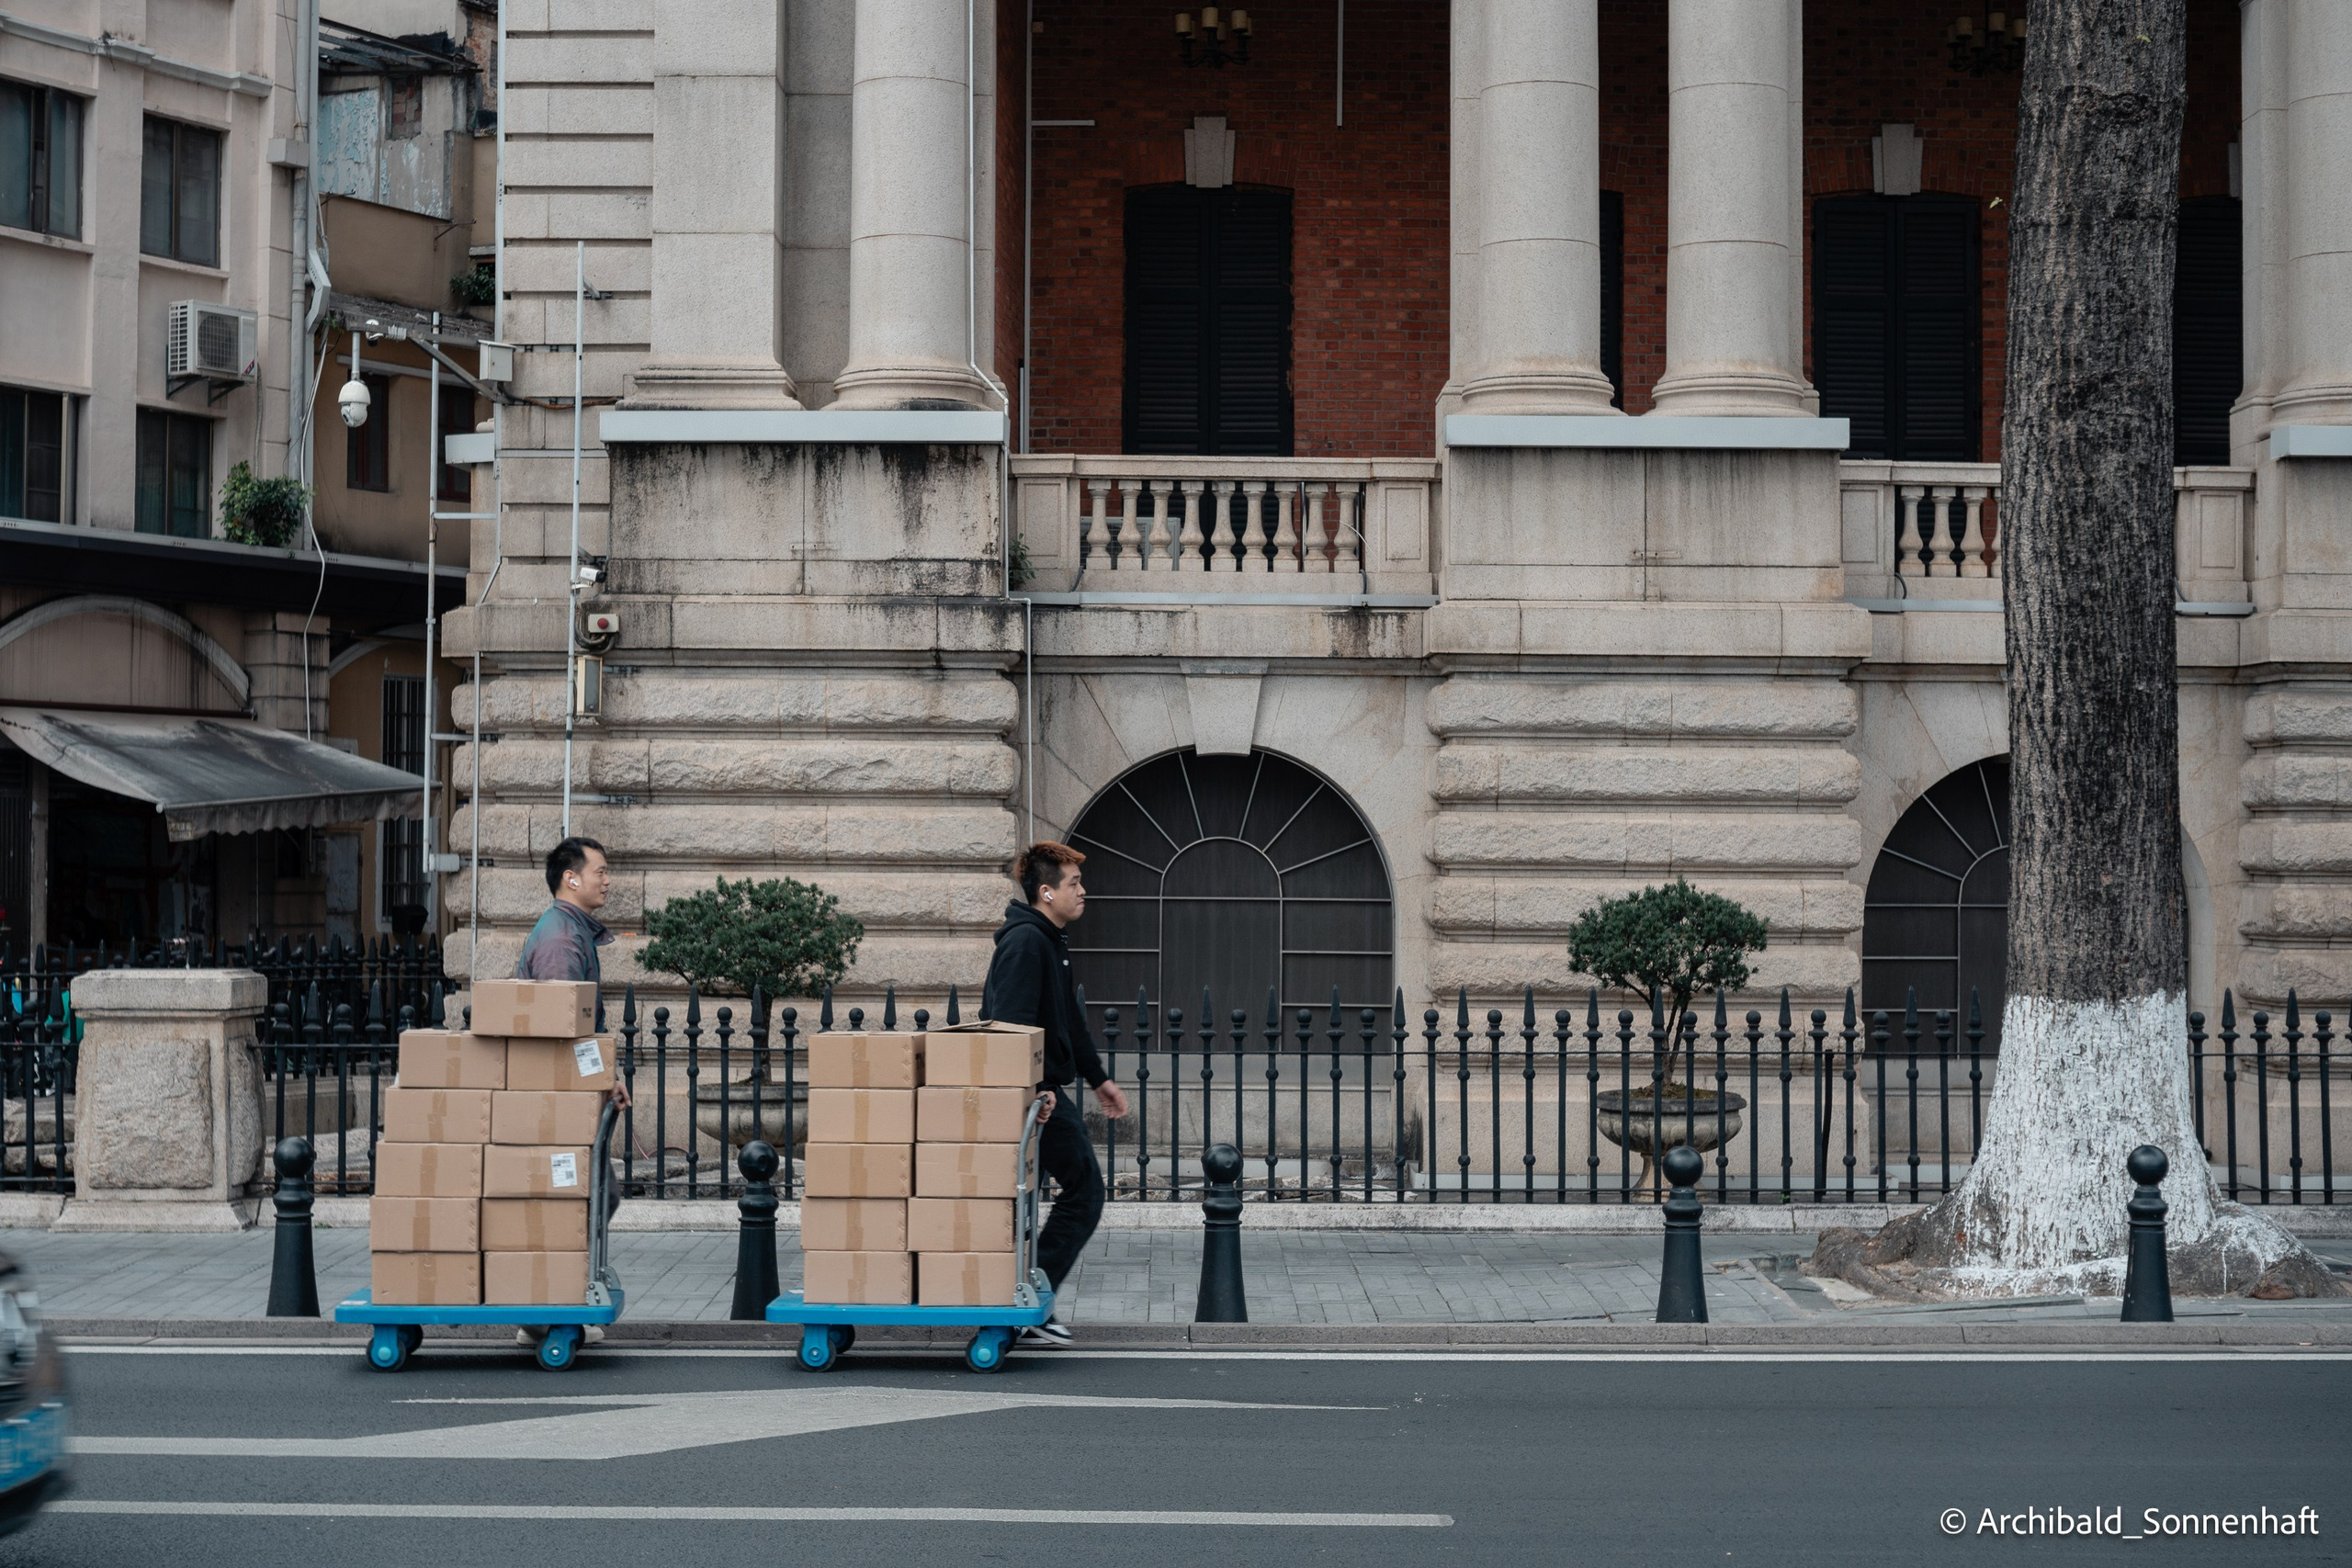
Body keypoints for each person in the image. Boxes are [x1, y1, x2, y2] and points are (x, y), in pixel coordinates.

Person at [980, 841, 1129, 1349]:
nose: (1083, 891)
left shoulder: (1048, 941)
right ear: (1046, 892)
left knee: (1018, 1206)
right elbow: (1011, 1026)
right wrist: (1039, 1091)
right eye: (1073, 883)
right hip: (1034, 1098)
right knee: (1084, 1191)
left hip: (1040, 1092)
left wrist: (1098, 1080)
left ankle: (1021, 1300)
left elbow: (1068, 1025)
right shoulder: (1026, 944)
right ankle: (1031, 1303)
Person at [512, 836, 628, 1348]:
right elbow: (565, 1031)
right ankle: (543, 1313)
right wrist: (602, 1079)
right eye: (600, 871)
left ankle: (550, 1303)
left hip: (566, 1097)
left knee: (593, 1196)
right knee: (578, 1200)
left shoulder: (571, 931)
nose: (608, 879)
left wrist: (608, 1076)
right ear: (571, 878)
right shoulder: (561, 941)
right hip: (556, 1104)